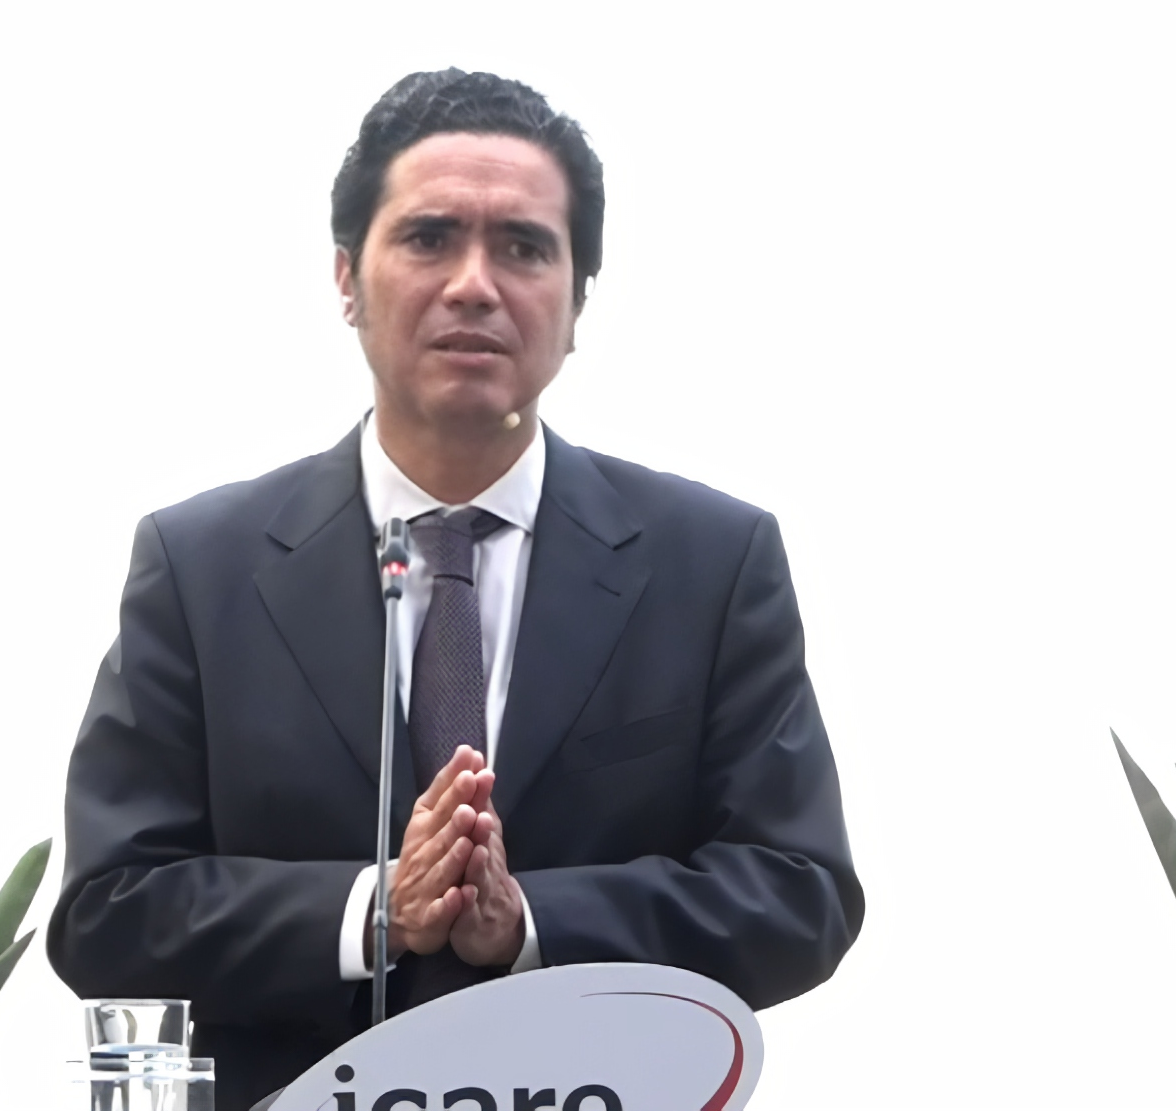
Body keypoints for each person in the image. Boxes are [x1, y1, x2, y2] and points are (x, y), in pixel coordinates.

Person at [47, 68, 863, 1110]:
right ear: (347, 278)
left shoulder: (711, 562)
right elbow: (108, 911)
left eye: (523, 247)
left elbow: (800, 893)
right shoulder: (201, 566)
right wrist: (372, 909)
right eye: (429, 238)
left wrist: (531, 923)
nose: (475, 284)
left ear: (577, 303)